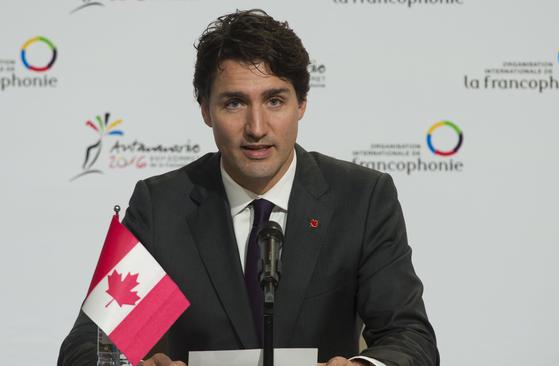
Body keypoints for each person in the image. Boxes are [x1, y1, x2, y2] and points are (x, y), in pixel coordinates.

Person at [58, 9, 439, 366]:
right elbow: (87, 347)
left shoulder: (361, 199)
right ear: (205, 109)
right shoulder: (163, 207)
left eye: (275, 100)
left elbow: (412, 338)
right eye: (235, 103)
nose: (257, 127)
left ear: (302, 103)